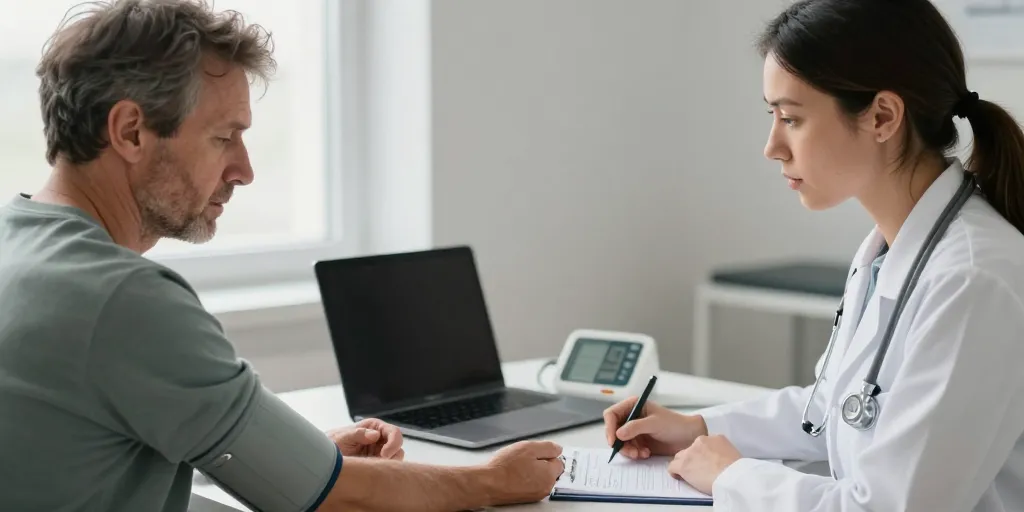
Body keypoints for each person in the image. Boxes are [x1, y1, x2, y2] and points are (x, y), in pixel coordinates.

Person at [0, 1, 564, 511]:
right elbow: (329, 498)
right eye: (225, 137)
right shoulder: (124, 299)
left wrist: (288, 455)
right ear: (130, 131)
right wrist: (490, 481)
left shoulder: (16, 244)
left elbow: (91, 456)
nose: (244, 169)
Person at [603, 0, 1024, 510]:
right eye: (772, 116)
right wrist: (697, 427)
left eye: (791, 118)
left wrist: (732, 476)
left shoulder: (975, 280)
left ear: (883, 117)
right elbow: (834, 411)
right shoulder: (889, 252)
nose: (772, 146)